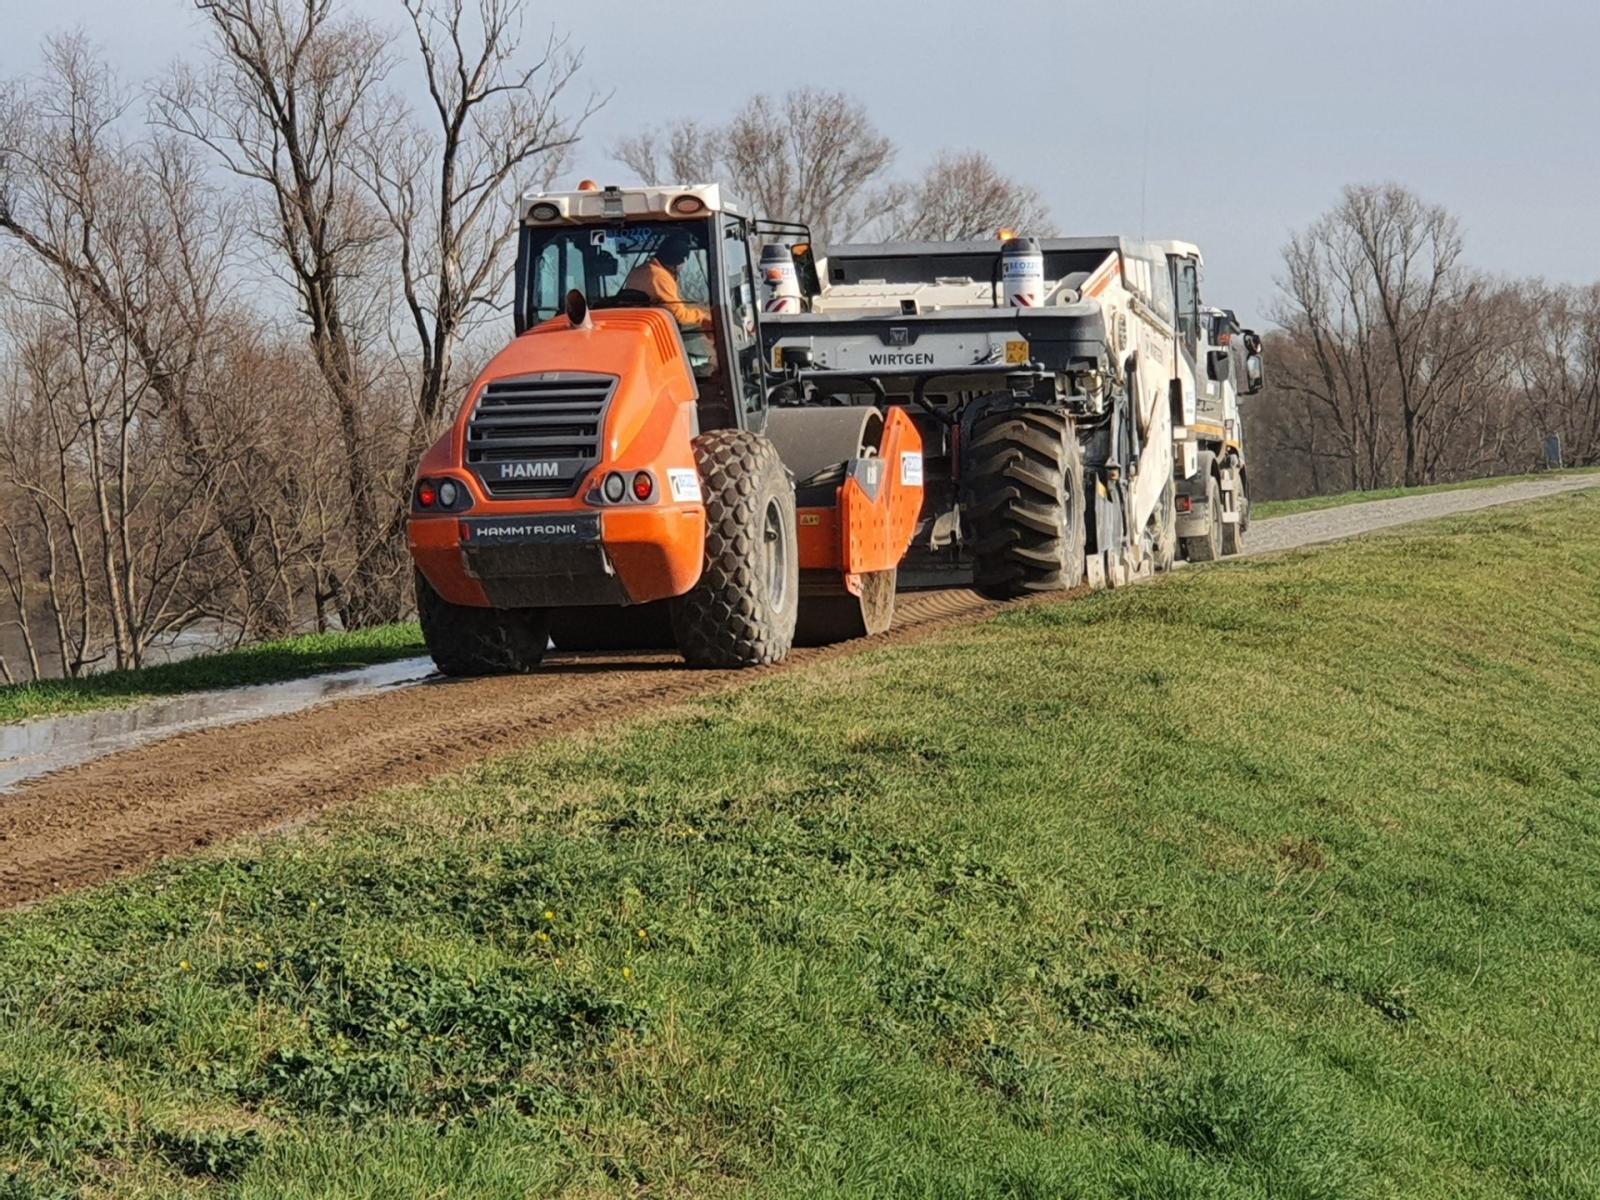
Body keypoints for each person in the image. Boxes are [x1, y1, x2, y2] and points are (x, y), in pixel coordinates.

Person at [622, 232, 712, 329]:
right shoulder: (659, 277)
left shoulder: (640, 271)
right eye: (683, 262)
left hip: (641, 327)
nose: (683, 267)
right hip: (655, 330)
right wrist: (702, 315)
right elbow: (679, 315)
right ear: (676, 261)